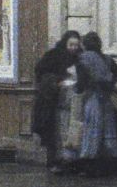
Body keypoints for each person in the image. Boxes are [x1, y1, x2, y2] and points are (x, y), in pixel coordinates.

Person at [67, 31, 117, 174]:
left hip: (92, 97)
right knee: (108, 130)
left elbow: (81, 83)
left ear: (85, 45)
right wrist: (110, 82)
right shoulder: (106, 59)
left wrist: (76, 88)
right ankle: (109, 165)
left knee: (91, 130)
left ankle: (89, 165)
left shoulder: (83, 59)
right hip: (106, 98)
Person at [33, 31, 81, 171]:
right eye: (71, 45)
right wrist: (57, 81)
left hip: (72, 100)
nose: (73, 48)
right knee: (55, 132)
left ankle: (70, 162)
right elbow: (41, 72)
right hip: (53, 100)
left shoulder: (79, 57)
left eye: (76, 45)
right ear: (65, 43)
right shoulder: (53, 55)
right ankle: (54, 161)